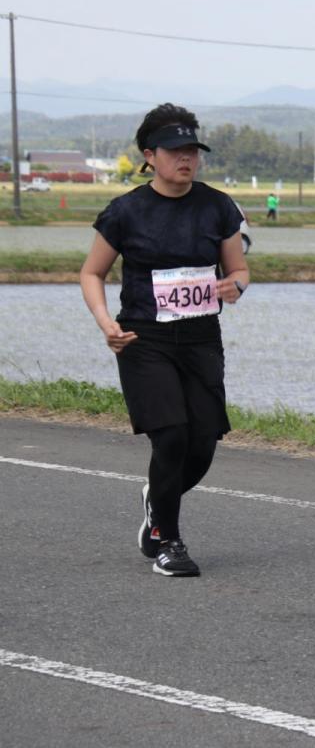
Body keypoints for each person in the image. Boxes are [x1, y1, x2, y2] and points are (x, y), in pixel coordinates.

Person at [79, 102, 249, 578]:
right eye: (175, 150)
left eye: (192, 150)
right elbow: (92, 273)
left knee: (202, 444)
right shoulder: (126, 211)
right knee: (171, 435)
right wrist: (105, 323)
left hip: (200, 336)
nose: (186, 158)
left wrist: (236, 286)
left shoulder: (218, 206)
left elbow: (238, 269)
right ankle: (168, 541)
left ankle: (157, 496)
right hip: (144, 336)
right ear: (150, 155)